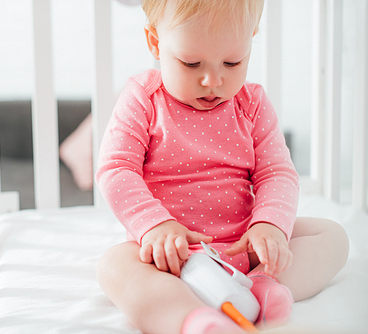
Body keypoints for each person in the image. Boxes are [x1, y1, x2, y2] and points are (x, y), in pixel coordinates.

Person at [96, 1, 349, 333]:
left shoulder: (252, 104)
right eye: (191, 63)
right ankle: (191, 318)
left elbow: (277, 173)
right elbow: (117, 169)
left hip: (245, 242)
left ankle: (263, 286)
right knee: (114, 266)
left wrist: (270, 226)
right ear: (156, 43)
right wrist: (155, 226)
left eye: (232, 62)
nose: (212, 79)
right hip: (172, 257)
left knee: (332, 236)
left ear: (250, 40)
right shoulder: (144, 98)